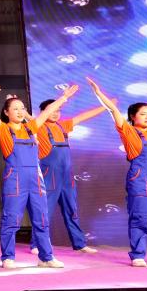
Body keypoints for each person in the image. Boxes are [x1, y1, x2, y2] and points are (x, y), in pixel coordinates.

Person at [0, 87, 75, 270]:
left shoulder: (31, 128)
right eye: (15, 109)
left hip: (36, 180)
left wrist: (64, 97)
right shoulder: (3, 130)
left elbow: (47, 112)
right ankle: (8, 257)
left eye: (22, 108)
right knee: (11, 219)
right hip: (15, 180)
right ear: (6, 112)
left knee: (42, 220)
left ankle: (46, 258)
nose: (20, 112)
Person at [86, 78, 147, 267]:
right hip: (141, 179)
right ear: (133, 117)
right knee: (140, 218)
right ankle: (138, 255)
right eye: (143, 114)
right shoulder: (128, 131)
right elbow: (112, 109)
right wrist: (98, 93)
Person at [29, 96, 108, 254]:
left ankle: (79, 243)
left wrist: (106, 105)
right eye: (52, 110)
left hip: (67, 176)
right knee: (45, 210)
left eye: (58, 110)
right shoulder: (38, 126)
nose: (55, 113)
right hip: (49, 176)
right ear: (43, 112)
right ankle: (36, 244)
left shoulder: (63, 126)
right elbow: (27, 117)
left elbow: (84, 116)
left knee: (72, 210)